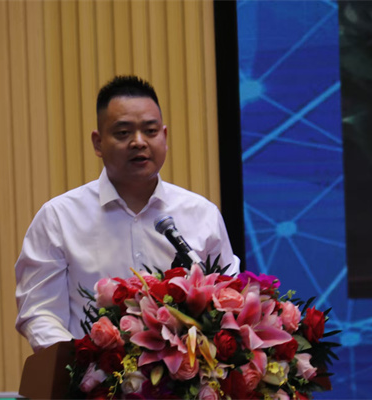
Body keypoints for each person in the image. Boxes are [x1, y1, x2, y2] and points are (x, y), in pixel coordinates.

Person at [15, 75, 240, 352]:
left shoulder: (201, 214)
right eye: (123, 133)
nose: (139, 142)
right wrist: (78, 364)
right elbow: (40, 312)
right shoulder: (59, 218)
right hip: (95, 375)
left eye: (150, 131)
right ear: (98, 143)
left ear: (165, 137)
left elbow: (229, 299)